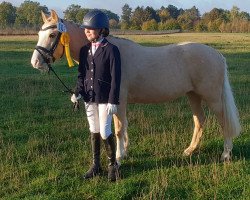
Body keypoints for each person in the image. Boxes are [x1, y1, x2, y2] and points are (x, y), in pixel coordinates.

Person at [71, 10, 121, 182]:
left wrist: (113, 100)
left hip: (105, 99)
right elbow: (81, 74)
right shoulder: (84, 50)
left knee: (106, 131)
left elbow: (116, 77)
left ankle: (112, 166)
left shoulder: (111, 50)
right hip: (89, 98)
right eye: (85, 29)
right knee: (94, 130)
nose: (87, 32)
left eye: (91, 29)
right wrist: (77, 92)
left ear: (101, 30)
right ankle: (95, 165)